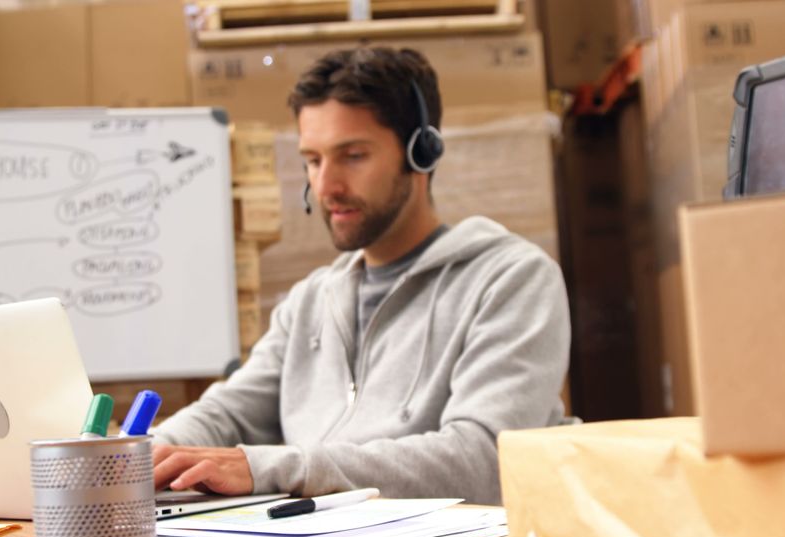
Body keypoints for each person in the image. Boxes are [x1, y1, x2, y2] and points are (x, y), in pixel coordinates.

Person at [150, 46, 570, 506]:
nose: (325, 186)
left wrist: (274, 467)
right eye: (313, 159)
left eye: (352, 155)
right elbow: (225, 414)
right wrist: (146, 455)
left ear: (421, 152)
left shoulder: (511, 281)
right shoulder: (312, 301)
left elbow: (487, 459)